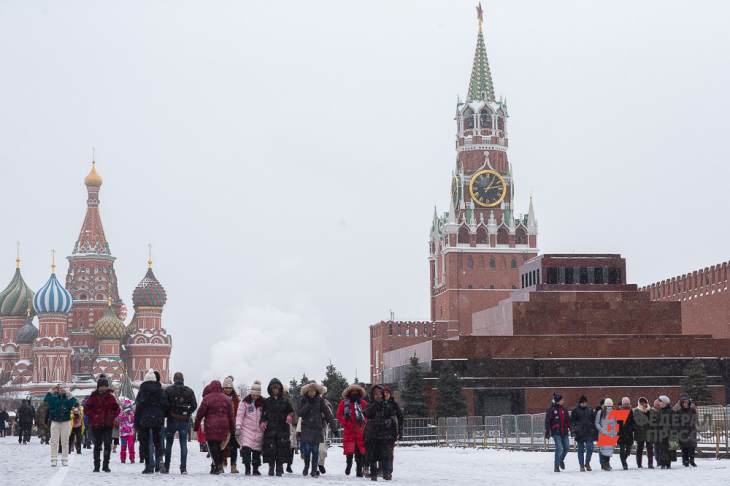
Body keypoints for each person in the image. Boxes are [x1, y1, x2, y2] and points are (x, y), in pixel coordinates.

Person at [297, 381, 339, 478]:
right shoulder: (303, 400)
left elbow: (328, 415)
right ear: (307, 392)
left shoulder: (320, 401)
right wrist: (308, 404)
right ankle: (307, 465)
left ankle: (313, 470)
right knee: (307, 450)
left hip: (317, 429)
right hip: (307, 429)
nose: (312, 393)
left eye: (314, 391)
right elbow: (300, 413)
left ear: (317, 392)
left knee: (316, 451)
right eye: (310, 391)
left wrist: (334, 429)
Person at [193, 380, 235, 475]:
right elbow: (231, 416)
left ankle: (217, 466)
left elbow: (200, 414)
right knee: (220, 447)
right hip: (224, 426)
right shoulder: (227, 399)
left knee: (213, 448)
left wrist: (196, 426)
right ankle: (216, 466)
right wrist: (232, 429)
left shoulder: (207, 398)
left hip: (211, 426)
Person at [84, 376, 121, 472]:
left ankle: (106, 465)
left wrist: (111, 416)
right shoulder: (93, 397)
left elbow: (117, 409)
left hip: (107, 425)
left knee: (108, 444)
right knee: (97, 445)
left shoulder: (111, 397)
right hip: (96, 425)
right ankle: (96, 466)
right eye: (101, 386)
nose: (103, 388)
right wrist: (94, 416)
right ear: (98, 387)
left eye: (105, 386)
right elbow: (87, 409)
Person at [163, 371, 197, 474]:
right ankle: (183, 468)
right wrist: (188, 412)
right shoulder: (189, 391)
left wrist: (168, 412)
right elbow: (194, 405)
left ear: (174, 380)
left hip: (171, 420)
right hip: (184, 421)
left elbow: (164, 404)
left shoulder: (168, 390)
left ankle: (167, 467)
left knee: (169, 444)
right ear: (183, 380)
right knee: (183, 445)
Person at [135, 368, 168, 474]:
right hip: (157, 418)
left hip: (145, 419)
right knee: (158, 442)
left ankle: (148, 465)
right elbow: (165, 405)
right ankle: (159, 461)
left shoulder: (142, 391)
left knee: (145, 443)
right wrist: (162, 415)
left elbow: (138, 407)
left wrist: (137, 422)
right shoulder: (160, 390)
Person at [261, 378, 294, 476]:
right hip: (270, 429)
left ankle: (279, 468)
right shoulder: (267, 401)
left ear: (280, 389)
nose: (275, 390)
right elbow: (263, 413)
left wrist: (289, 416)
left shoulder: (285, 401)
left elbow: (291, 411)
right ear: (270, 389)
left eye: (277, 388)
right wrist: (262, 421)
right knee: (271, 449)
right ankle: (271, 467)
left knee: (281, 448)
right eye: (273, 388)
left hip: (282, 428)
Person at [337, 383, 368, 477]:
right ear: (349, 393)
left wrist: (363, 423)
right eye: (352, 392)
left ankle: (359, 470)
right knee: (349, 451)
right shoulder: (344, 403)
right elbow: (339, 414)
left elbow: (367, 415)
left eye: (356, 392)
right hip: (349, 430)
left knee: (359, 452)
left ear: (359, 393)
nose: (354, 393)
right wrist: (345, 423)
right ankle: (349, 465)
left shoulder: (363, 403)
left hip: (360, 430)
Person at [44, 384, 78, 467]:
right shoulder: (54, 398)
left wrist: (69, 393)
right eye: (60, 389)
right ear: (58, 390)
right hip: (55, 422)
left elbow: (75, 401)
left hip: (65, 422)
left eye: (64, 389)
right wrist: (50, 391)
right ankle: (53, 459)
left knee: (65, 441)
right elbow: (46, 399)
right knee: (54, 441)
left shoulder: (67, 399)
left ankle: (65, 459)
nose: (62, 390)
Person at [236, 380, 265, 475]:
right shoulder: (244, 402)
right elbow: (239, 415)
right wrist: (238, 426)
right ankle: (247, 467)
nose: (255, 397)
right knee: (246, 449)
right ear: (251, 393)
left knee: (257, 451)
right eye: (254, 394)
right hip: (246, 429)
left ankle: (256, 469)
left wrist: (265, 422)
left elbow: (266, 415)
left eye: (257, 395)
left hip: (259, 430)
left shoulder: (263, 403)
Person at [544, 392, 571, 472]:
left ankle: (561, 460)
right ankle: (556, 466)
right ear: (558, 401)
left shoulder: (564, 409)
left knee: (566, 447)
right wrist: (547, 431)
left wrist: (571, 429)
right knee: (559, 448)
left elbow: (568, 421)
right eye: (562, 400)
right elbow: (547, 421)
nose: (563, 401)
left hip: (564, 431)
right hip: (556, 432)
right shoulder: (551, 410)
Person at [570, 395, 594, 472]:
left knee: (590, 448)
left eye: (585, 402)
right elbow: (572, 422)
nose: (584, 404)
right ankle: (581, 465)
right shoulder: (575, 411)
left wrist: (593, 428)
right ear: (580, 403)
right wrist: (573, 431)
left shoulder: (590, 410)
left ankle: (587, 463)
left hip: (588, 432)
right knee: (580, 450)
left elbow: (593, 420)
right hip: (579, 433)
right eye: (583, 402)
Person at [221, 376, 240, 473]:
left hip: (233, 425)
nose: (228, 390)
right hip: (222, 425)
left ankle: (233, 466)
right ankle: (220, 464)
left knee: (233, 447)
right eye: (226, 388)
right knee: (222, 446)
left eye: (230, 388)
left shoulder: (236, 399)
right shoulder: (219, 397)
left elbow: (238, 411)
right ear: (223, 388)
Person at [382, 386, 403, 478]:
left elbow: (400, 417)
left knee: (389, 452)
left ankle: (389, 470)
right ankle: (383, 470)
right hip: (380, 431)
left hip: (391, 431)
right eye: (384, 393)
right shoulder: (380, 403)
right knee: (381, 452)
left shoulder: (394, 404)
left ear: (390, 394)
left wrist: (400, 431)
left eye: (387, 393)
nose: (386, 394)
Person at [674, 394, 698, 467]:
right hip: (683, 431)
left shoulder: (692, 410)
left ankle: (692, 460)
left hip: (691, 430)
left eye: (686, 402)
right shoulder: (678, 411)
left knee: (692, 446)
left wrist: (696, 410)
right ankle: (685, 460)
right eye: (683, 402)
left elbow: (696, 418)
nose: (685, 404)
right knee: (684, 447)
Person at [632, 397, 653, 468]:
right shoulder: (636, 411)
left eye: (644, 402)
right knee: (639, 449)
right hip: (639, 432)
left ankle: (650, 463)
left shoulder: (650, 410)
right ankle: (639, 464)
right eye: (641, 403)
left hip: (649, 432)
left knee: (650, 449)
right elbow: (635, 422)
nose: (643, 404)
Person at [594, 397, 614, 471]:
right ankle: (603, 463)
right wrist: (602, 430)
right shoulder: (600, 412)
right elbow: (597, 423)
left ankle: (607, 463)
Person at [655, 395, 673, 469]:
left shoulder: (670, 411)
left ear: (665, 403)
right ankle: (663, 463)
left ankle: (667, 463)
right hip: (661, 433)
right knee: (662, 449)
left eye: (660, 402)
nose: (659, 403)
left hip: (668, 433)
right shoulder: (660, 411)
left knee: (668, 449)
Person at [617, 396, 634, 470]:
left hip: (629, 433)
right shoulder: (619, 411)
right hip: (621, 433)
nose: (627, 405)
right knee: (622, 448)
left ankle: (624, 459)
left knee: (628, 450)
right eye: (625, 403)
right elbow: (618, 423)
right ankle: (624, 463)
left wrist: (633, 428)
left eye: (628, 403)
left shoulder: (631, 411)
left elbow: (632, 421)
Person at [118, 398, 136, 464]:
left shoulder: (132, 413)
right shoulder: (121, 413)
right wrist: (123, 414)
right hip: (123, 434)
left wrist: (129, 414)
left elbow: (133, 420)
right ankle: (123, 459)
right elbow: (119, 419)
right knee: (123, 447)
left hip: (130, 433)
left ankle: (132, 459)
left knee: (131, 447)